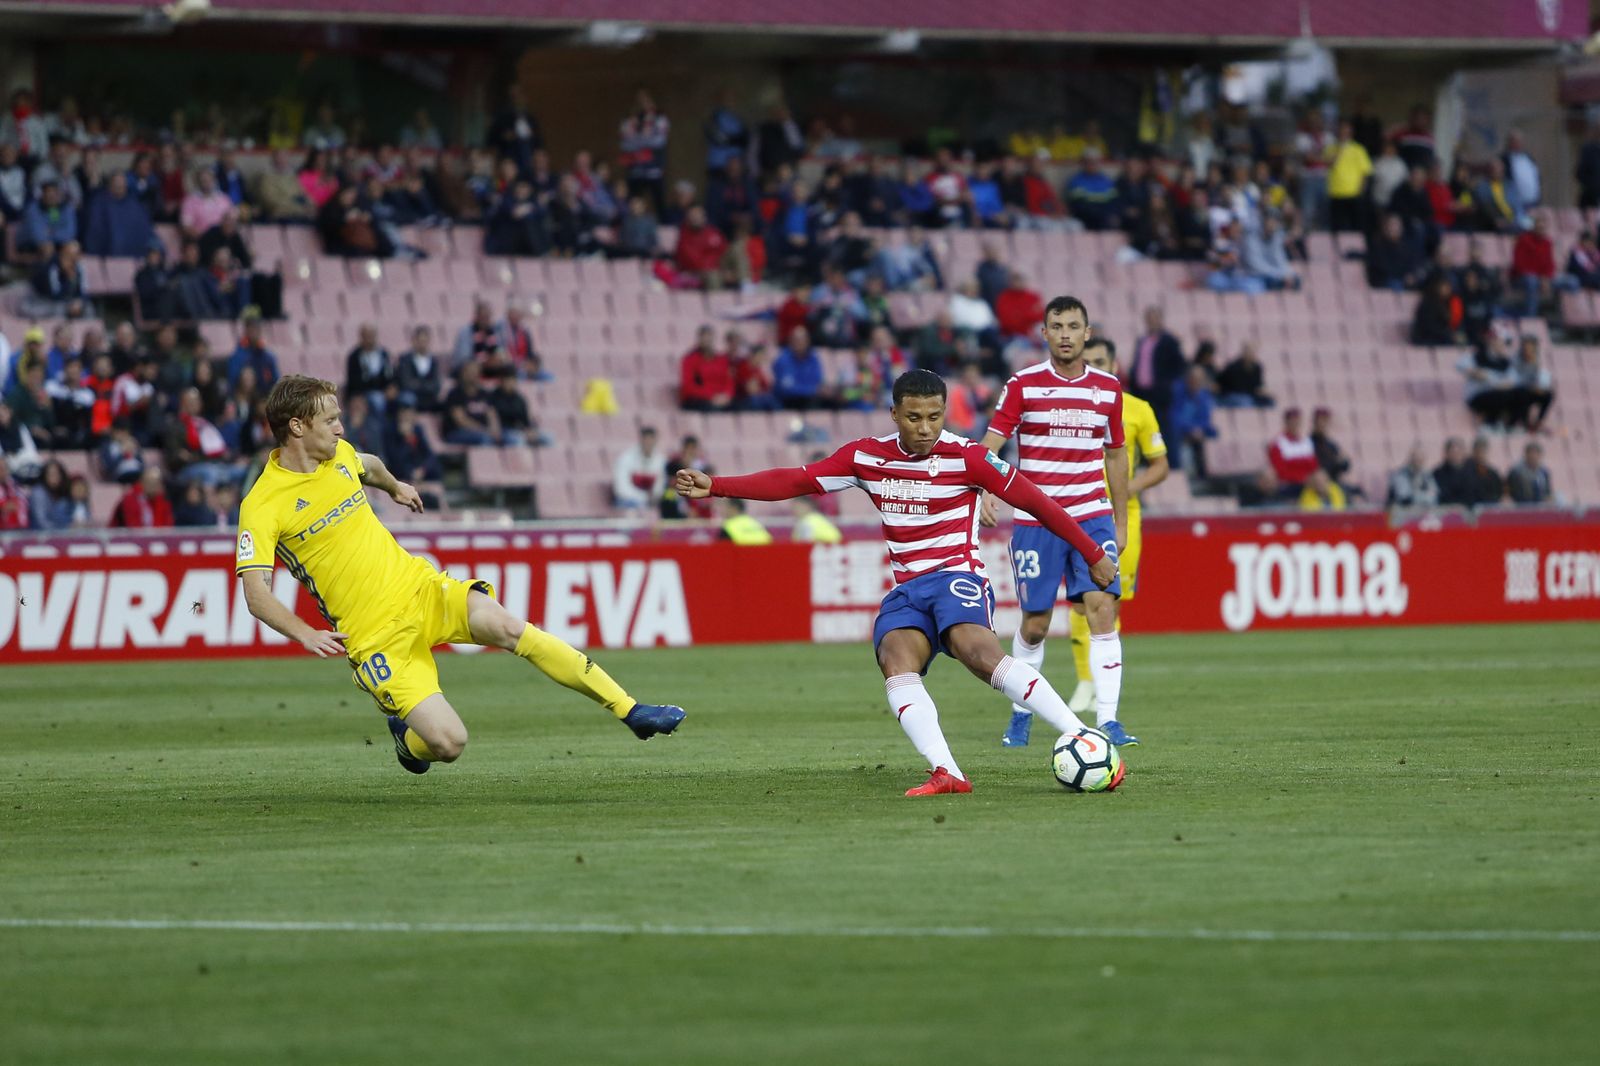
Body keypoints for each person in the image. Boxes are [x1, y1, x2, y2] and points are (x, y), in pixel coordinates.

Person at [675, 369, 1118, 796]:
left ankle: (1083, 736)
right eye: (913, 417)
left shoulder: (970, 458)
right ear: (894, 414)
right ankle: (947, 771)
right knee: (895, 658)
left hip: (956, 576)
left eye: (934, 416)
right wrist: (716, 486)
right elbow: (796, 480)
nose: (925, 428)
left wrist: (1093, 552)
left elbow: (1039, 502)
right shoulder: (865, 457)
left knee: (976, 651)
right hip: (909, 589)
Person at [235, 375, 683, 773]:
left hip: (420, 588)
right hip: (373, 635)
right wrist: (304, 634)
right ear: (297, 426)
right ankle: (407, 742)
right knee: (449, 744)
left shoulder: (341, 456)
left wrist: (396, 487)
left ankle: (630, 709)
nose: (340, 428)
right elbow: (257, 593)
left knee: (509, 626)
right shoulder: (263, 504)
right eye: (330, 420)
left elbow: (368, 464)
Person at [970, 297, 1135, 749]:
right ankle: (1021, 712)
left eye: (1073, 326)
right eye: (1056, 325)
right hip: (1036, 519)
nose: (1065, 333)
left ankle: (1109, 720)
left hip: (1091, 515)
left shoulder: (1107, 388)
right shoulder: (1023, 384)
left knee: (1102, 608)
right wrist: (987, 488)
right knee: (1036, 623)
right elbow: (991, 442)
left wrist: (1119, 521)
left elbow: (1116, 454)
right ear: (1044, 333)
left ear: (1087, 332)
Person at [1126, 306, 1186, 431]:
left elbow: (1179, 365)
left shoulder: (1169, 341)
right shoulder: (1142, 340)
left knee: (1159, 428)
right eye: (1149, 319)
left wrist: (1166, 383)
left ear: (1160, 320)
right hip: (1141, 392)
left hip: (1159, 394)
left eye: (1154, 319)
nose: (1151, 322)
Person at [613, 425, 666, 511]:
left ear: (655, 441)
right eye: (646, 439)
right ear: (641, 440)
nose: (648, 443)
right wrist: (643, 498)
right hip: (628, 501)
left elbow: (660, 485)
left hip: (650, 502)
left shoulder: (660, 460)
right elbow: (621, 489)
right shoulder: (626, 459)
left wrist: (655, 496)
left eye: (651, 439)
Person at [1268, 407, 1320, 493]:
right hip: (1290, 483)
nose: (1295, 423)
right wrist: (1303, 477)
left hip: (1309, 481)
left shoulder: (1306, 442)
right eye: (1292, 421)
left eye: (1297, 420)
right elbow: (1280, 471)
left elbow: (1314, 466)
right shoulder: (1278, 443)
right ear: (1286, 422)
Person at [109, 465, 174, 528]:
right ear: (142, 482)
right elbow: (132, 527)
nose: (154, 486)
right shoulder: (130, 500)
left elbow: (168, 524)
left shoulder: (163, 500)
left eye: (157, 483)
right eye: (150, 482)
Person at [1386, 446, 1439, 510]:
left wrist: (1419, 497)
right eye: (1416, 458)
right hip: (1400, 514)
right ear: (1410, 459)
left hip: (1418, 513)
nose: (1418, 461)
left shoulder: (1426, 475)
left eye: (1420, 459)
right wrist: (1424, 497)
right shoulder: (1400, 475)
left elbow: (1434, 496)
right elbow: (1404, 498)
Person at [1461, 436, 1504, 507]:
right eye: (1479, 451)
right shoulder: (1465, 469)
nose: (1481, 454)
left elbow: (1498, 491)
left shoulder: (1492, 472)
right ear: (1474, 451)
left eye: (1484, 451)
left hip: (1489, 507)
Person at [1433, 437, 1471, 507]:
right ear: (1447, 453)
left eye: (1459, 451)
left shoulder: (1473, 470)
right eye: (1453, 452)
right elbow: (1442, 495)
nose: (1456, 454)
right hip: (1448, 511)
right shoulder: (1438, 473)